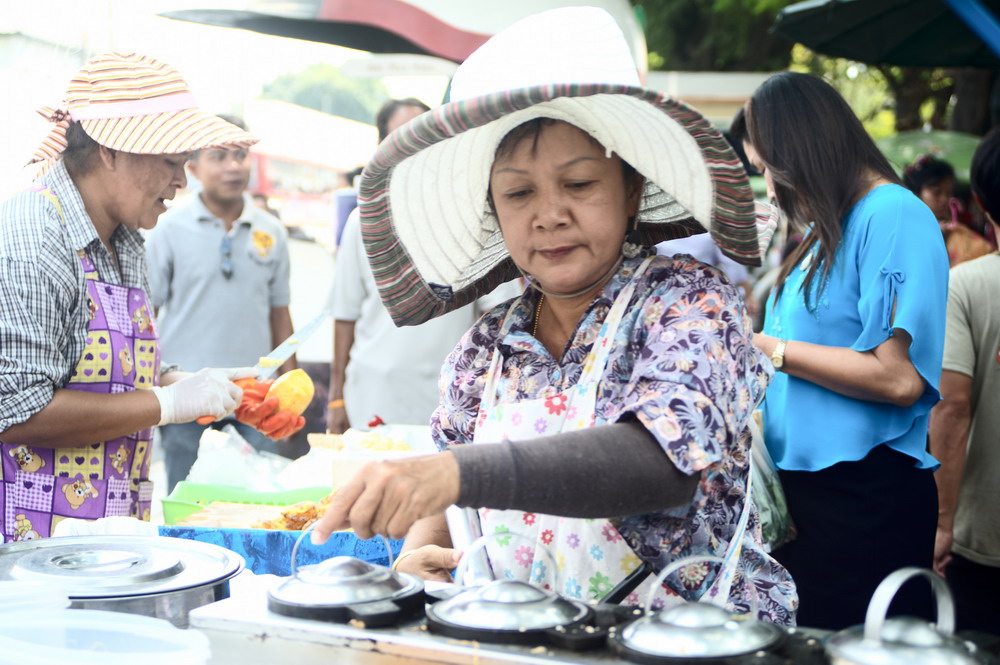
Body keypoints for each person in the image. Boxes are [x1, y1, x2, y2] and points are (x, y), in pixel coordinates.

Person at [313, 8, 797, 625]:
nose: (549, 215)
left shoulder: (691, 303)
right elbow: (447, 487)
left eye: (579, 184)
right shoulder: (485, 350)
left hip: (692, 641)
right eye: (519, 193)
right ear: (494, 210)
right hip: (531, 636)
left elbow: (662, 463)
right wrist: (418, 554)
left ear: (630, 188)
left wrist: (454, 474)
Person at [0, 52, 259, 539]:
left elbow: (96, 369)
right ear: (110, 151)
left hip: (110, 532)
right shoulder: (34, 238)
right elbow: (17, 409)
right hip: (31, 543)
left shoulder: (125, 239)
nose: (180, 180)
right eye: (168, 161)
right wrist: (166, 402)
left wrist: (182, 380)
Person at [743, 72, 950, 629]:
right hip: (804, 497)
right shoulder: (825, 230)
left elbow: (898, 378)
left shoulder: (892, 213)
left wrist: (771, 348)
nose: (768, 186)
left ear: (799, 150)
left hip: (863, 496)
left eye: (767, 168)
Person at [327, 98, 517, 432]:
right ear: (383, 149)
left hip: (451, 396)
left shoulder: (477, 221)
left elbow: (501, 315)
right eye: (401, 138)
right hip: (372, 394)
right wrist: (336, 397)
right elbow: (345, 315)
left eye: (425, 136)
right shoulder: (364, 223)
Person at [145, 116, 298, 492]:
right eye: (219, 156)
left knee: (256, 499)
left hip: (254, 395)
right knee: (186, 500)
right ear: (192, 167)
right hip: (185, 393)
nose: (233, 166)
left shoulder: (270, 231)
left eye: (240, 155)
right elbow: (146, 316)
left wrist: (290, 388)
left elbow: (280, 314)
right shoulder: (168, 228)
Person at [929, 127, 1000, 633]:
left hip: (984, 534)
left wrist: (942, 523)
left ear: (979, 201)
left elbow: (952, 408)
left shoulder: (967, 285)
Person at [903, 153, 993, 266]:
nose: (944, 199)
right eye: (936, 192)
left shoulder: (959, 234)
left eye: (948, 193)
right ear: (916, 194)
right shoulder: (902, 231)